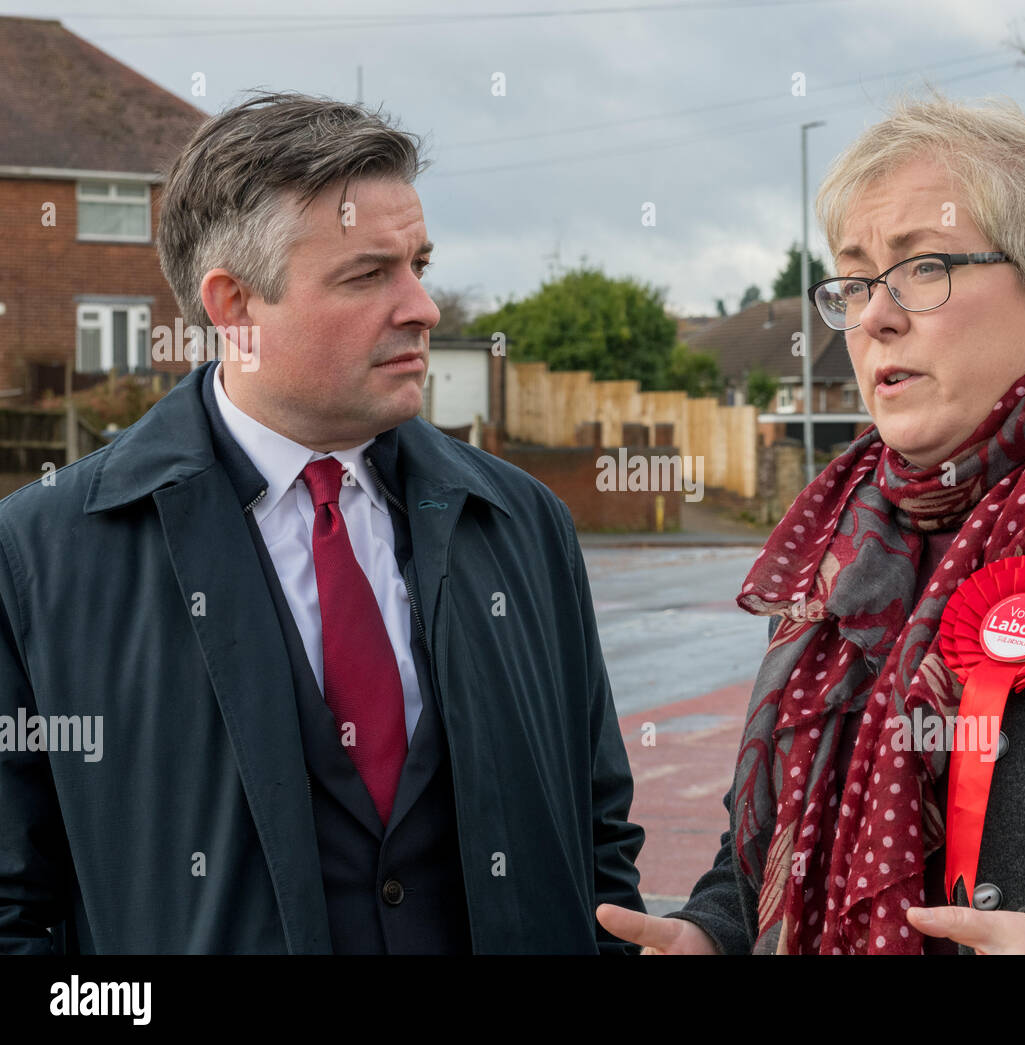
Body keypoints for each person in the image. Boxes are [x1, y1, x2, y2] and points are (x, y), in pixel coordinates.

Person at [598, 92, 1025, 955]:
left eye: (922, 268)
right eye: (854, 280)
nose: (876, 316)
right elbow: (778, 831)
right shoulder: (841, 542)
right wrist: (712, 931)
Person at [0, 91, 645, 954]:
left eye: (418, 262)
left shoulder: (522, 522)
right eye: (368, 274)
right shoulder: (43, 554)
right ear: (233, 307)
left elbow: (599, 843)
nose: (423, 306)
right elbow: (16, 908)